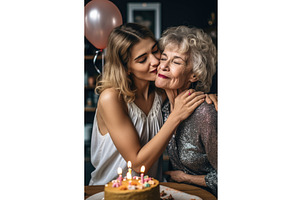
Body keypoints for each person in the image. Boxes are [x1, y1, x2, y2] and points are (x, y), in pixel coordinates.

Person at [88, 23, 216, 185]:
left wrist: (210, 97)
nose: (156, 61)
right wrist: (175, 116)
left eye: (156, 51)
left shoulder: (160, 94)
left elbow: (184, 85)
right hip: (107, 192)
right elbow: (137, 163)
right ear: (126, 68)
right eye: (142, 59)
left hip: (150, 191)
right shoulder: (111, 98)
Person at [155, 26, 218, 196]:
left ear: (194, 75)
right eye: (163, 58)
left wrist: (185, 178)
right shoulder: (164, 110)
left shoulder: (205, 113)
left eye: (176, 61)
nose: (164, 66)